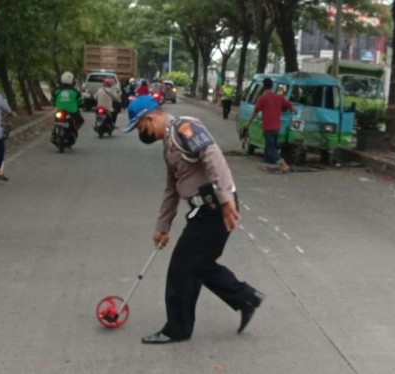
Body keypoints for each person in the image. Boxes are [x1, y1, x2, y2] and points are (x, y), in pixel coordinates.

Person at [123, 96, 264, 345]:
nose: (140, 133)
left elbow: (212, 156)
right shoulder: (169, 146)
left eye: (139, 127)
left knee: (182, 268)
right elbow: (172, 188)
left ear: (149, 118)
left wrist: (226, 199)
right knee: (198, 265)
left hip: (216, 208)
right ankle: (246, 298)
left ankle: (177, 329)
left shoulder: (184, 128)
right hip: (204, 211)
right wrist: (162, 227)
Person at [245, 78, 297, 173]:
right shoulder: (279, 97)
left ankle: (283, 164)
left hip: (268, 126)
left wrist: (248, 123)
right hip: (277, 126)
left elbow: (255, 112)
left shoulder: (262, 98)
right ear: (272, 86)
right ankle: (270, 162)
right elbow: (289, 105)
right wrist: (295, 110)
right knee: (273, 145)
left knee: (270, 147)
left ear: (264, 86)